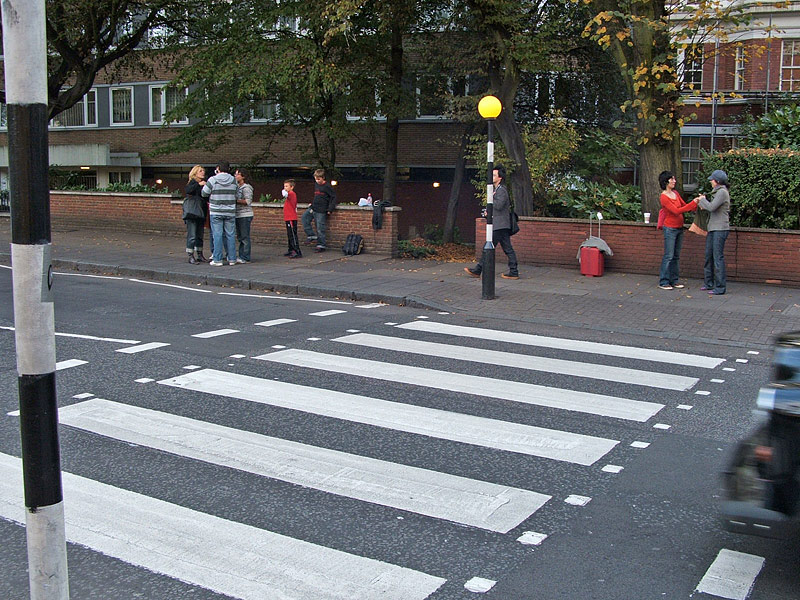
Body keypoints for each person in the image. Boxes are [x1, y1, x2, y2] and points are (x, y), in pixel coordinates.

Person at [464, 164, 519, 280]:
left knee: (488, 247)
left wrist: (491, 198)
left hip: (500, 225)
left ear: (500, 178)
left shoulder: (502, 190)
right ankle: (514, 271)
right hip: (500, 224)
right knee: (507, 248)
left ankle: (478, 270)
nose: (492, 177)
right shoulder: (497, 190)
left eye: (494, 175)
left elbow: (499, 206)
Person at [657, 170, 698, 290]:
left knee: (676, 256)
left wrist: (697, 204)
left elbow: (684, 205)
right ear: (666, 181)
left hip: (679, 228)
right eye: (672, 179)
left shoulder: (675, 193)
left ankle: (674, 280)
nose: (674, 181)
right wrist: (693, 203)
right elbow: (676, 211)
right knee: (669, 255)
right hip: (670, 228)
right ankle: (664, 281)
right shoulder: (664, 197)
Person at [697, 169, 731, 295]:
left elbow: (711, 207)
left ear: (717, 181)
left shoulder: (722, 192)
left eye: (712, 179)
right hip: (713, 228)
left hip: (720, 229)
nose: (711, 181)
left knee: (717, 258)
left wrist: (702, 200)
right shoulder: (717, 192)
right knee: (708, 256)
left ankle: (720, 287)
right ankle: (708, 283)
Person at [202, 160, 238, 266]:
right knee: (230, 235)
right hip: (230, 211)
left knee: (217, 235)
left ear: (218, 168)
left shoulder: (213, 179)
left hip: (216, 210)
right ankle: (232, 259)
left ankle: (217, 259)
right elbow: (237, 193)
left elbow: (204, 193)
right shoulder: (233, 180)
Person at [302, 168, 337, 253]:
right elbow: (317, 196)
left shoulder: (327, 186)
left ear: (323, 177)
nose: (317, 181)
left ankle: (321, 244)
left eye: (319, 179)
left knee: (320, 227)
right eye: (316, 179)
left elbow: (333, 197)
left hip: (322, 209)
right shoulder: (316, 185)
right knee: (305, 218)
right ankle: (311, 235)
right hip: (314, 207)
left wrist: (330, 209)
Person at [184, 165, 208, 264]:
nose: (203, 172)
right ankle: (190, 255)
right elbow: (188, 190)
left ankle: (200, 254)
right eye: (200, 171)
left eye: (203, 171)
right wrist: (199, 184)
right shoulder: (193, 183)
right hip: (192, 213)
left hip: (201, 212)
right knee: (192, 235)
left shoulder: (205, 183)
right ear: (195, 173)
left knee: (199, 235)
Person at [234, 168, 254, 263]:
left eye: (238, 174)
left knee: (244, 236)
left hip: (245, 215)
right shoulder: (237, 187)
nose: (235, 176)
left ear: (243, 176)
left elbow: (248, 201)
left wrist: (235, 201)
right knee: (240, 236)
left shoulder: (246, 188)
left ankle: (245, 256)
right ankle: (242, 255)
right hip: (238, 214)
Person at [283, 178, 302, 258]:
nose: (285, 188)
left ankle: (296, 251)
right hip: (288, 217)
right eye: (284, 186)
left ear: (291, 187)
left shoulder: (291, 194)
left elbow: (284, 194)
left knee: (293, 235)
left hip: (291, 218)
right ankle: (291, 249)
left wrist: (284, 192)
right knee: (289, 235)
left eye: (287, 186)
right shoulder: (289, 194)